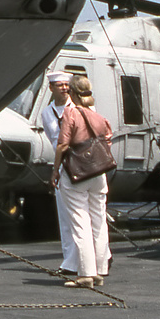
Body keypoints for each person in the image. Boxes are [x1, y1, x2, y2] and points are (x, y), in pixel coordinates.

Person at [53, 75, 112, 288]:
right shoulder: (98, 116)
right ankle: (100, 270)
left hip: (76, 174)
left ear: (73, 93)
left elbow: (62, 145)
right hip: (98, 174)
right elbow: (108, 140)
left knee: (80, 222)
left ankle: (86, 274)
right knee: (98, 221)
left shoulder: (71, 112)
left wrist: (55, 171)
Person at [38, 71, 78, 275]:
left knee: (85, 215)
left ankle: (98, 256)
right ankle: (70, 261)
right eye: (59, 85)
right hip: (63, 165)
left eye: (66, 84)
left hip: (82, 163)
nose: (64, 88)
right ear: (51, 88)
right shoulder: (46, 113)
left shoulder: (80, 107)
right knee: (65, 216)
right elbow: (54, 142)